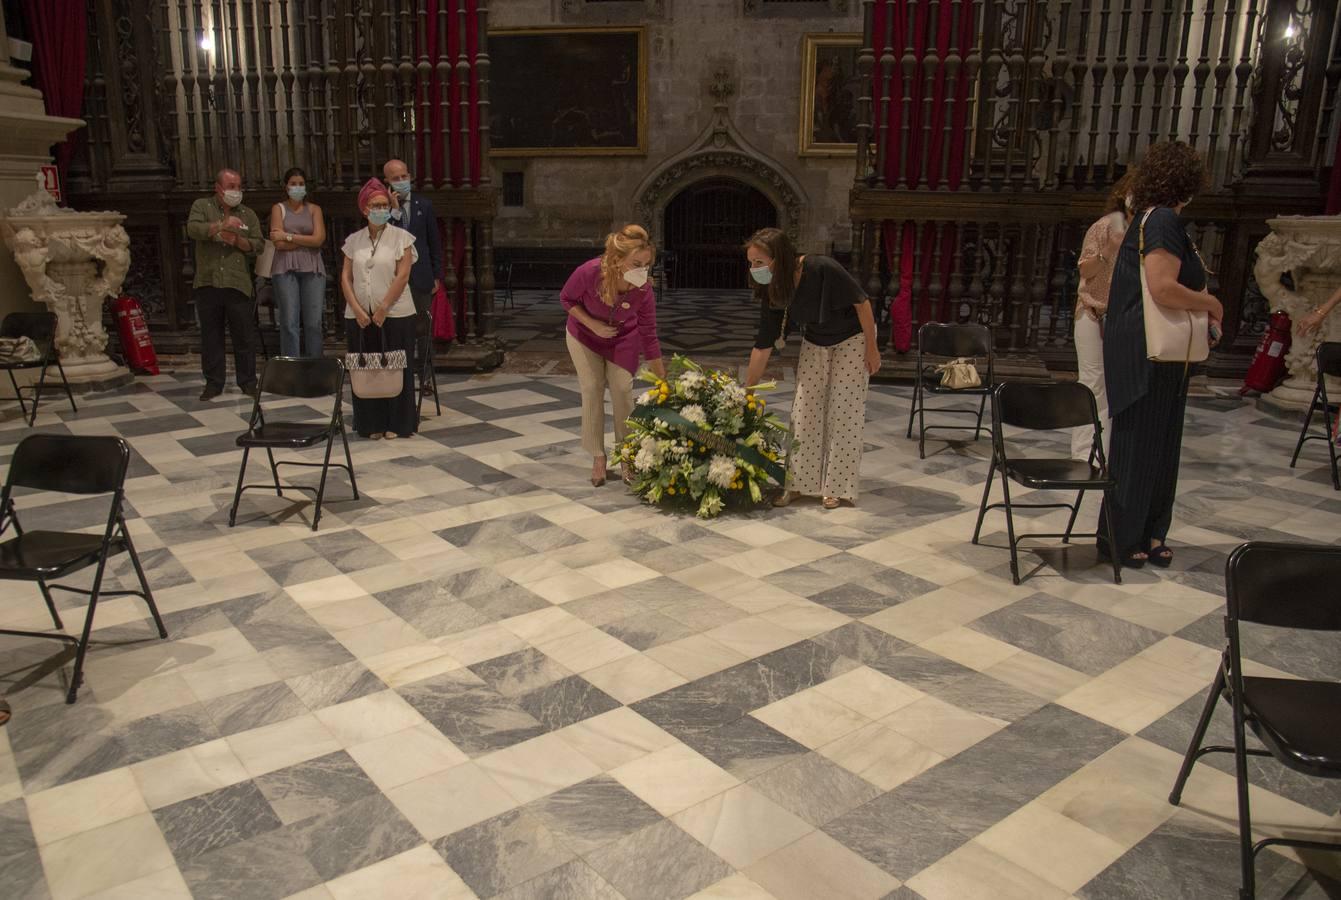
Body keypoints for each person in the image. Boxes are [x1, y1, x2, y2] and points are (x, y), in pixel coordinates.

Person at [1099, 142, 1222, 569]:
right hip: (1148, 355)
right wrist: (1211, 305)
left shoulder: (1152, 219)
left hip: (1155, 356)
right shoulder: (1164, 220)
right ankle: (1124, 536)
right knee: (1140, 446)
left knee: (1161, 445)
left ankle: (1151, 531)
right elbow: (1163, 287)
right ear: (1189, 181)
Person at [743, 227, 881, 509]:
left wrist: (871, 347)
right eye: (750, 262)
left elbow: (862, 302)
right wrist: (748, 391)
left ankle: (838, 488)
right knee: (804, 410)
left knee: (844, 411)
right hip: (816, 339)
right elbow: (763, 345)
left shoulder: (821, 267)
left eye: (759, 262)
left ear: (778, 258)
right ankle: (798, 483)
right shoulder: (775, 288)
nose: (754, 268)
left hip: (853, 338)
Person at [560, 224, 666, 486]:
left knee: (621, 389)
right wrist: (592, 324)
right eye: (636, 264)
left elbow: (649, 335)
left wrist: (663, 381)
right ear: (618, 260)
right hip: (584, 335)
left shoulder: (643, 289)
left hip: (622, 339)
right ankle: (598, 455)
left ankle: (627, 453)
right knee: (593, 387)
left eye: (647, 264)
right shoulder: (590, 272)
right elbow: (566, 299)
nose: (643, 270)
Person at [340, 178, 419, 440]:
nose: (381, 209)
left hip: (396, 314)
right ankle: (370, 422)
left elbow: (403, 275)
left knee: (396, 369)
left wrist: (384, 308)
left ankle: (397, 423)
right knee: (367, 368)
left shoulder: (402, 238)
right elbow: (346, 277)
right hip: (361, 315)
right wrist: (357, 309)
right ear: (365, 209)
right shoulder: (354, 241)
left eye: (385, 205)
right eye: (376, 205)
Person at [1072, 171, 1137, 460]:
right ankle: (1084, 453)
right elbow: (1085, 270)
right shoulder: (1105, 227)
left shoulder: (1146, 231)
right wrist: (1109, 251)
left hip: (1126, 318)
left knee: (1115, 389)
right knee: (1093, 384)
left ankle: (1110, 453)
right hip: (1094, 313)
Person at [186, 169, 262, 401]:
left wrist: (238, 241)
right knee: (211, 336)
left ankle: (248, 381)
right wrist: (221, 225)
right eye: (231, 186)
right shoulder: (202, 206)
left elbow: (259, 245)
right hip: (208, 281)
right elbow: (193, 229)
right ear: (218, 188)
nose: (236, 191)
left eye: (238, 186)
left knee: (244, 336)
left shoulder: (248, 214)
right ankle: (214, 382)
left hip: (237, 283)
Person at [383, 159, 444, 396]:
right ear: (387, 182)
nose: (401, 181)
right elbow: (386, 238)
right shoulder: (383, 209)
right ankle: (401, 375)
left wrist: (437, 274)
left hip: (421, 276)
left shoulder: (423, 205)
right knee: (399, 328)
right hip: (396, 278)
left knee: (423, 329)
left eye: (404, 176)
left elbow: (433, 242)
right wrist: (394, 210)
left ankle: (426, 377)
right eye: (396, 178)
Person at [268, 167, 328, 358]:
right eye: (293, 184)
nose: (297, 187)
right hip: (285, 268)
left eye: (301, 184)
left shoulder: (314, 209)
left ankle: (315, 367)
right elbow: (277, 243)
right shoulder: (278, 208)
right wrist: (304, 241)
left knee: (313, 323)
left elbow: (318, 240)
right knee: (289, 322)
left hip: (313, 267)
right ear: (286, 187)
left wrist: (288, 236)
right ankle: (291, 368)